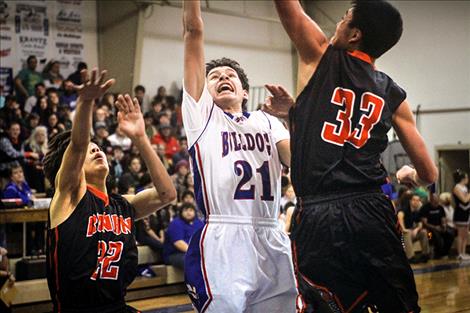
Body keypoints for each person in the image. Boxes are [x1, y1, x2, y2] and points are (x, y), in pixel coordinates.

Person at [269, 1, 438, 312]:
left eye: (343, 19)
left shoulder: (321, 56)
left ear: (354, 35)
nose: (337, 24)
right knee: (397, 304)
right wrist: (410, 176)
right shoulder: (393, 94)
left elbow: (288, 7)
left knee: (328, 304)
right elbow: (428, 174)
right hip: (371, 209)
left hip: (319, 214)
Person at [182, 1, 298, 312]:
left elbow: (299, 162)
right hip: (224, 237)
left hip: (271, 233)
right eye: (214, 75)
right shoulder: (202, 117)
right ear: (204, 92)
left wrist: (294, 115)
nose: (223, 77)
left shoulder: (270, 122)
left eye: (230, 74)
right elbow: (193, 32)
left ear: (245, 91)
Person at [43, 68, 176, 313]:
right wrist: (86, 102)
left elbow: (167, 194)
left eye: (98, 147)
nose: (96, 150)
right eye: (89, 150)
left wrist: (141, 138)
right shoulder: (69, 197)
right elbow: (79, 142)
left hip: (117, 306)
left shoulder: (122, 204)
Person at [163, 203, 203, 269]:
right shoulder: (175, 223)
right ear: (181, 212)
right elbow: (178, 243)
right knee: (192, 260)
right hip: (175, 254)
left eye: (190, 210)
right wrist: (195, 253)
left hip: (195, 253)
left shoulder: (199, 223)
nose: (188, 213)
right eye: (185, 210)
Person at [420, 192, 455, 258]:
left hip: (439, 227)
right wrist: (435, 227)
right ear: (431, 200)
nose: (436, 204)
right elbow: (425, 223)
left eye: (437, 201)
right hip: (428, 229)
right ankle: (436, 253)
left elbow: (443, 218)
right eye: (434, 202)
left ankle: (444, 253)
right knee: (433, 236)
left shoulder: (440, 208)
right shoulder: (425, 208)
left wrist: (444, 225)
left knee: (450, 234)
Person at [397, 194, 430, 263]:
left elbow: (420, 223)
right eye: (414, 200)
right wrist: (403, 229)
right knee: (407, 232)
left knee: (424, 232)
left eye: (417, 200)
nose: (416, 202)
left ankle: (425, 254)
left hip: (410, 234)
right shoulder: (405, 208)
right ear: (410, 201)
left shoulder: (416, 211)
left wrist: (417, 229)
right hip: (400, 235)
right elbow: (400, 216)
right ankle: (411, 257)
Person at [452, 170, 470, 260]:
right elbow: (464, 200)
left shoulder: (465, 188)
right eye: (467, 177)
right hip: (460, 213)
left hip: (467, 212)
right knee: (460, 234)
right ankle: (459, 253)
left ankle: (464, 252)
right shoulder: (456, 188)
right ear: (463, 178)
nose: (468, 179)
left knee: (466, 234)